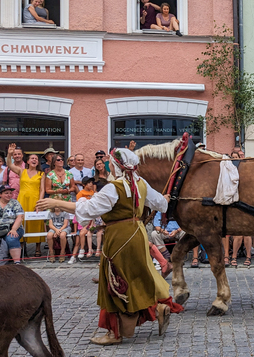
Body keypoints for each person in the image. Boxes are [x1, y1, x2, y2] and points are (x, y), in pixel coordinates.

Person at [37, 148, 183, 345]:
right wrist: (164, 198)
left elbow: (89, 210)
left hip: (119, 237)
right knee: (138, 277)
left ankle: (115, 333)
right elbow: (162, 205)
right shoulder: (141, 184)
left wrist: (56, 202)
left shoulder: (114, 188)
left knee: (115, 280)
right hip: (138, 234)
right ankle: (158, 309)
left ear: (115, 166)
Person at [6, 144, 46, 257]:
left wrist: (40, 202)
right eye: (32, 158)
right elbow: (9, 164)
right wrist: (9, 154)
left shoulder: (41, 174)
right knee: (22, 223)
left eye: (36, 159)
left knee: (37, 222)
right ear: (27, 161)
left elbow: (42, 189)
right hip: (22, 199)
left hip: (35, 199)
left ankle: (38, 248)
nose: (34, 160)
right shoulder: (21, 171)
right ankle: (23, 248)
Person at [0, 185, 25, 265]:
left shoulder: (15, 203)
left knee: (12, 238)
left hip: (13, 227)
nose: (9, 195)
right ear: (0, 194)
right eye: (6, 193)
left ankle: (17, 263)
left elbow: (20, 217)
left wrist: (13, 229)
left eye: (10, 193)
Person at [77, 177, 97, 258]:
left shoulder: (93, 192)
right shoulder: (80, 193)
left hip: (93, 217)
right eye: (88, 183)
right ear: (84, 185)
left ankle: (96, 248)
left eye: (91, 182)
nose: (91, 184)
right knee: (82, 233)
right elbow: (79, 206)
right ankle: (82, 249)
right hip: (85, 216)